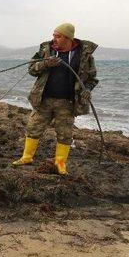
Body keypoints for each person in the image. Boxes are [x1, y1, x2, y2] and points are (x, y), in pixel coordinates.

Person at [12, 23, 98, 175]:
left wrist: (87, 90)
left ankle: (60, 163)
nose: (54, 39)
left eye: (58, 36)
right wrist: (45, 63)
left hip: (67, 102)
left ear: (68, 38)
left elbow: (91, 79)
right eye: (53, 35)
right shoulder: (46, 50)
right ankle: (26, 157)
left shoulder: (84, 55)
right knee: (33, 128)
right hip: (43, 99)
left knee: (65, 134)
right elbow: (31, 69)